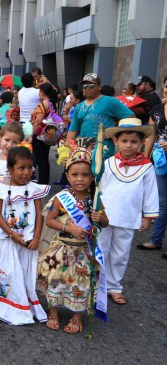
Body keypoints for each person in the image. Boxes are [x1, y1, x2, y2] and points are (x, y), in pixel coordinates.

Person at [38, 144, 109, 333]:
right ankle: (53, 310)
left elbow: (106, 222)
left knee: (81, 283)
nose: (80, 179)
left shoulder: (95, 198)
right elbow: (50, 221)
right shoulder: (61, 198)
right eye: (75, 174)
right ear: (67, 176)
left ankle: (77, 316)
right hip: (62, 249)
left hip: (84, 250)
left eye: (85, 175)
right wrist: (69, 227)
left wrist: (99, 217)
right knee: (56, 279)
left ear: (92, 177)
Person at [0, 146, 49, 324]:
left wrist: (37, 237)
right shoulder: (1, 190)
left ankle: (22, 305)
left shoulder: (34, 189)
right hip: (8, 241)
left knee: (23, 274)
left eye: (30, 167)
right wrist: (11, 233)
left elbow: (40, 215)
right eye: (21, 168)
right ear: (10, 169)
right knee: (6, 275)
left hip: (28, 241)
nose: (26, 172)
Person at [97, 118, 158, 305]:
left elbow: (150, 193)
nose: (129, 145)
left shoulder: (146, 167)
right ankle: (96, 285)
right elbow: (98, 189)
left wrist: (148, 216)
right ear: (116, 141)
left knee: (120, 254)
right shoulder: (107, 163)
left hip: (128, 217)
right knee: (101, 250)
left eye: (134, 142)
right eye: (124, 141)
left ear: (142, 143)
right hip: (105, 217)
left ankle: (114, 286)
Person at [66, 73, 134, 157]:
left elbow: (131, 117)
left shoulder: (110, 101)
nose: (87, 88)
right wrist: (66, 151)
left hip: (104, 152)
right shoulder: (79, 107)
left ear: (99, 86)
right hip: (83, 153)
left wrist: (115, 131)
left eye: (91, 85)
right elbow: (73, 130)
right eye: (84, 86)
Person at [140, 76, 167, 253]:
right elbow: (151, 135)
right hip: (160, 160)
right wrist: (144, 158)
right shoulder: (157, 109)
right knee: (162, 202)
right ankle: (156, 240)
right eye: (166, 86)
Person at [30, 82, 60, 184]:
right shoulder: (51, 103)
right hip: (47, 134)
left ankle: (43, 182)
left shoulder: (44, 104)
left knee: (41, 159)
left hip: (40, 135)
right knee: (44, 158)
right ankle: (44, 180)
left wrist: (31, 134)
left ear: (42, 92)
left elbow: (38, 121)